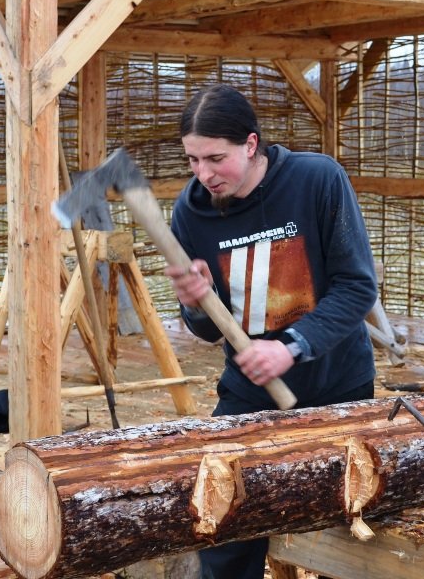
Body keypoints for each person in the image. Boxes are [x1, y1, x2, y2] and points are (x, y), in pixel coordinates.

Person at [164, 84, 379, 579]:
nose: (204, 174)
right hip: (249, 392)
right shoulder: (190, 211)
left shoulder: (316, 180)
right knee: (223, 523)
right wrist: (195, 302)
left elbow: (356, 287)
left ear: (252, 145)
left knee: (346, 529)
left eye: (216, 158)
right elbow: (204, 330)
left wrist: (291, 347)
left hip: (336, 383)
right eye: (193, 161)